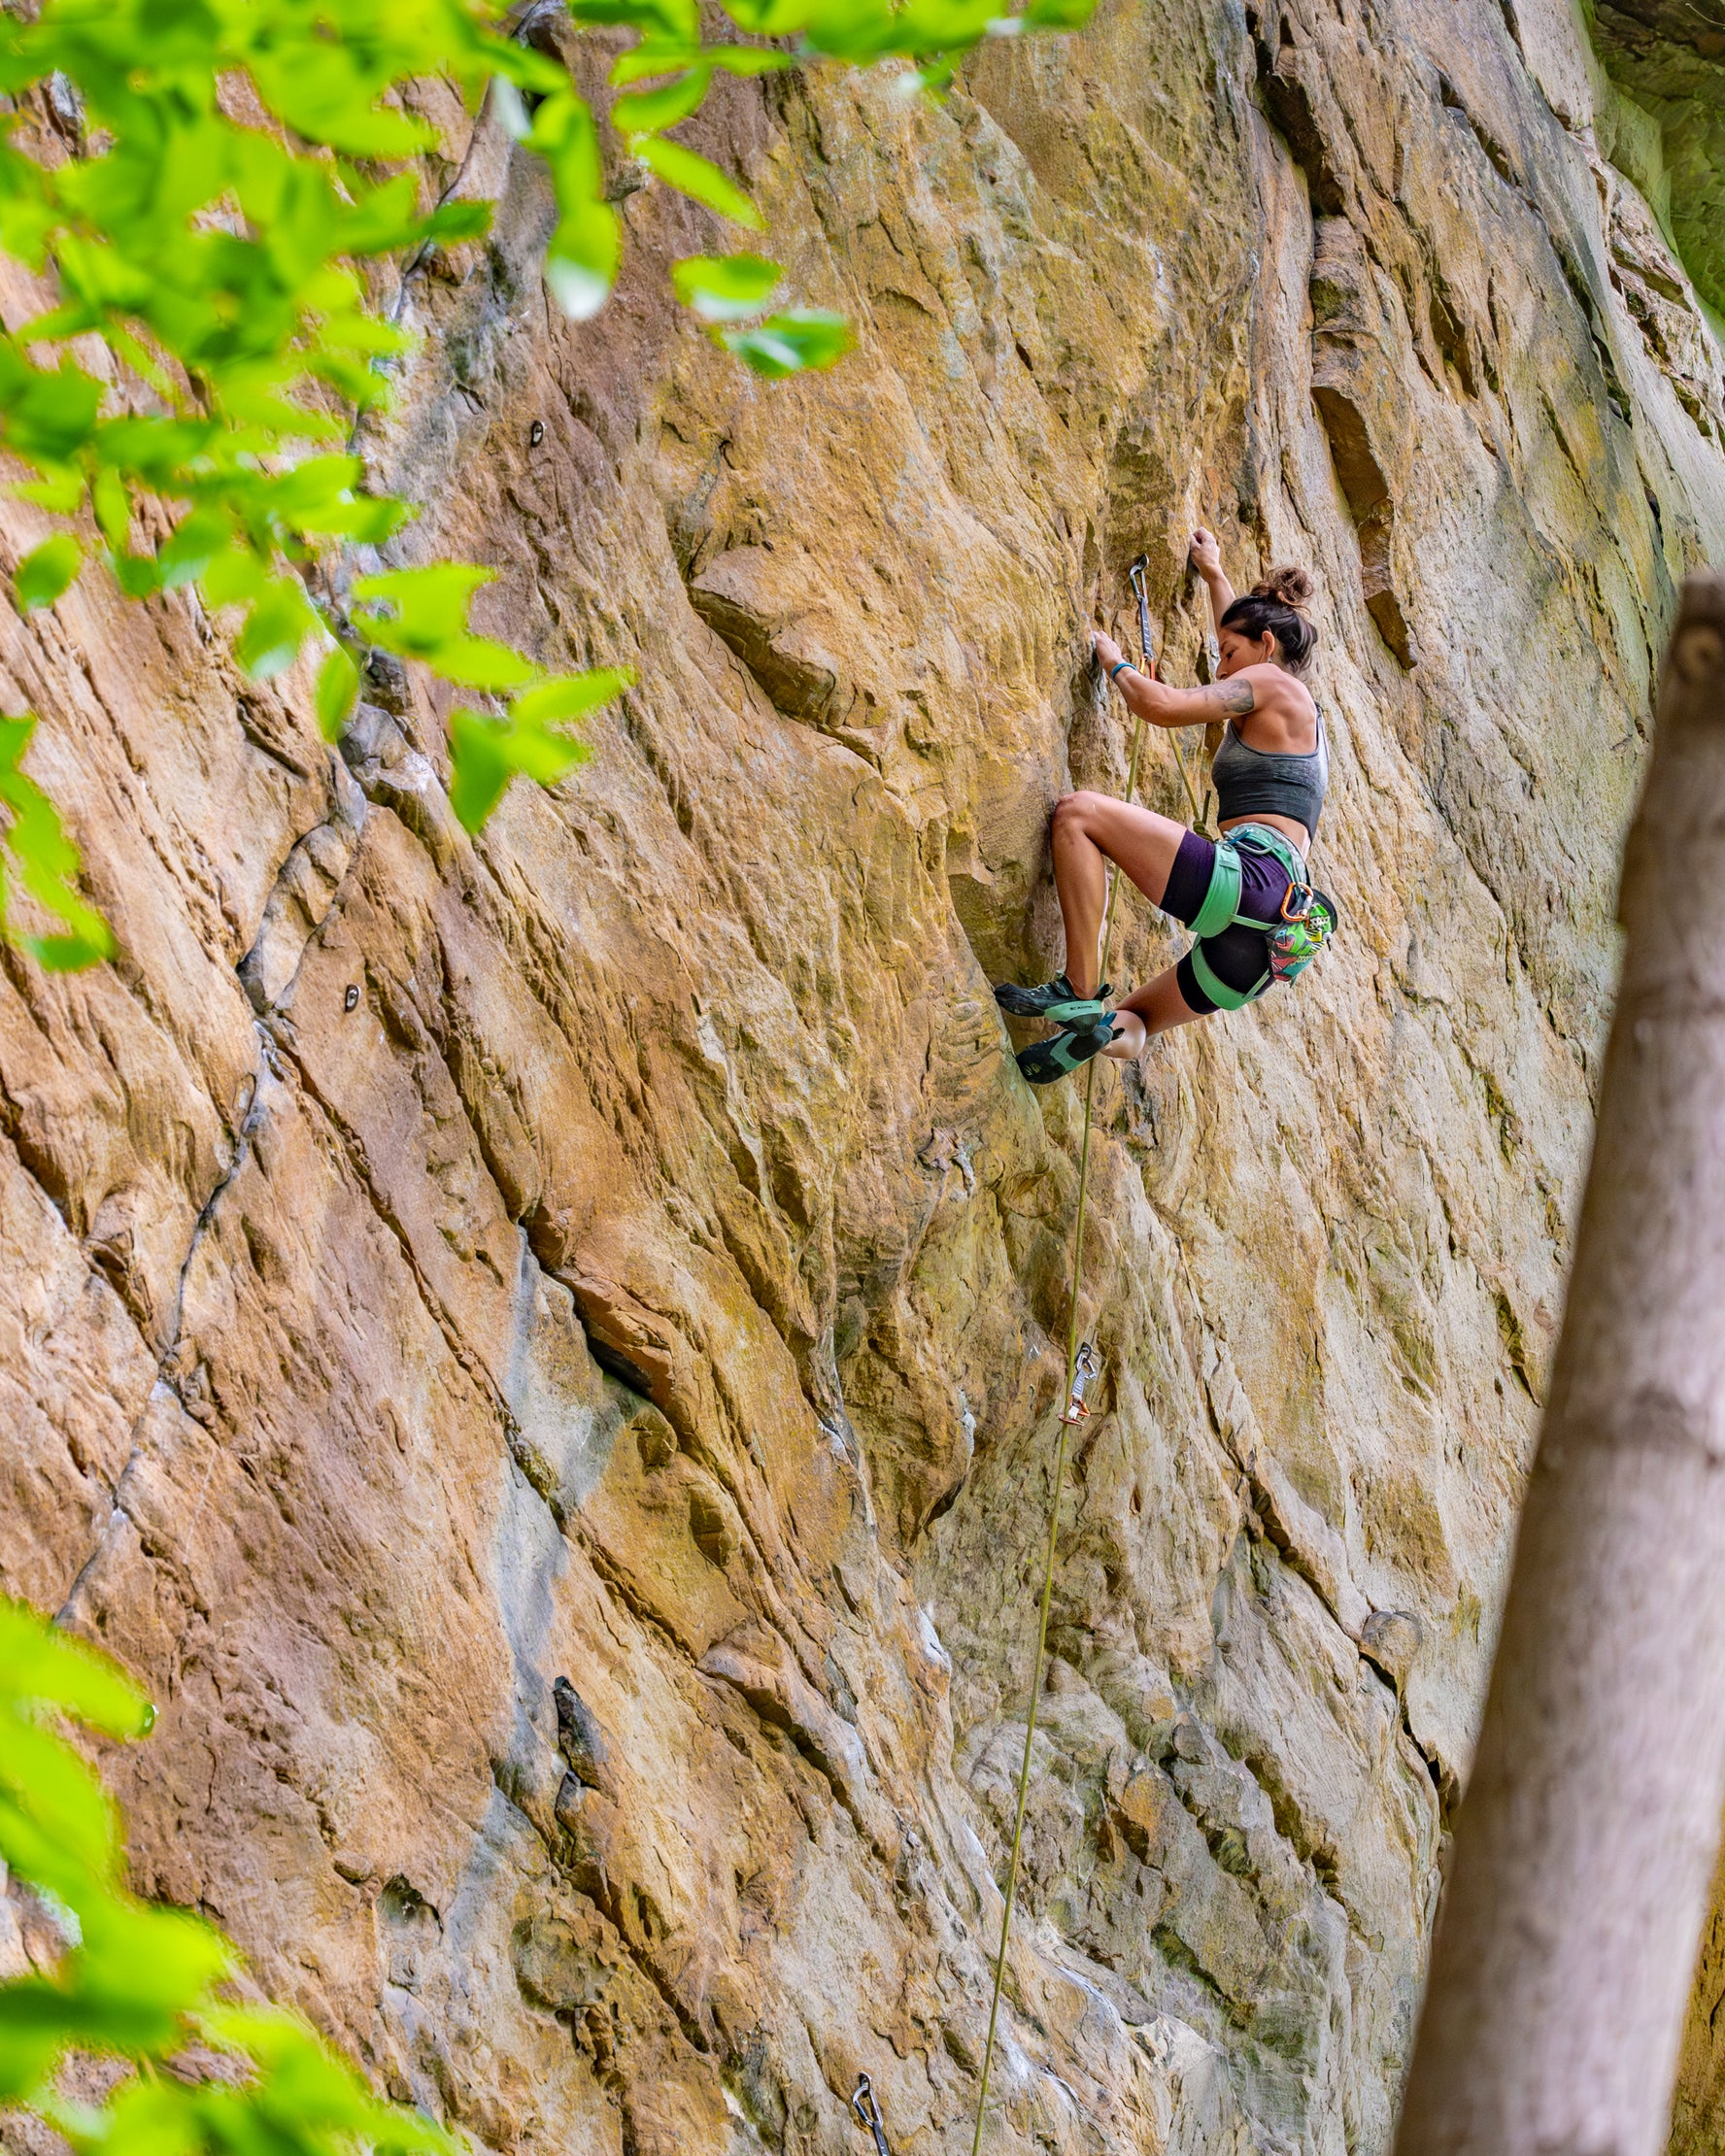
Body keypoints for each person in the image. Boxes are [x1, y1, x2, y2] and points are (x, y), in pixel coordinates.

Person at [998, 531, 1331, 1084]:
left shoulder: (1267, 682)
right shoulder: (1300, 713)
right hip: (1270, 942)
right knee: (1138, 1020)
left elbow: (1159, 704)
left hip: (1250, 880)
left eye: (1228, 656)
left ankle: (1076, 993)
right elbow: (1239, 639)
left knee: (1077, 815)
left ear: (1268, 647)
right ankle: (1101, 1031)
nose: (1220, 669)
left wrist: (1116, 662)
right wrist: (1213, 573)